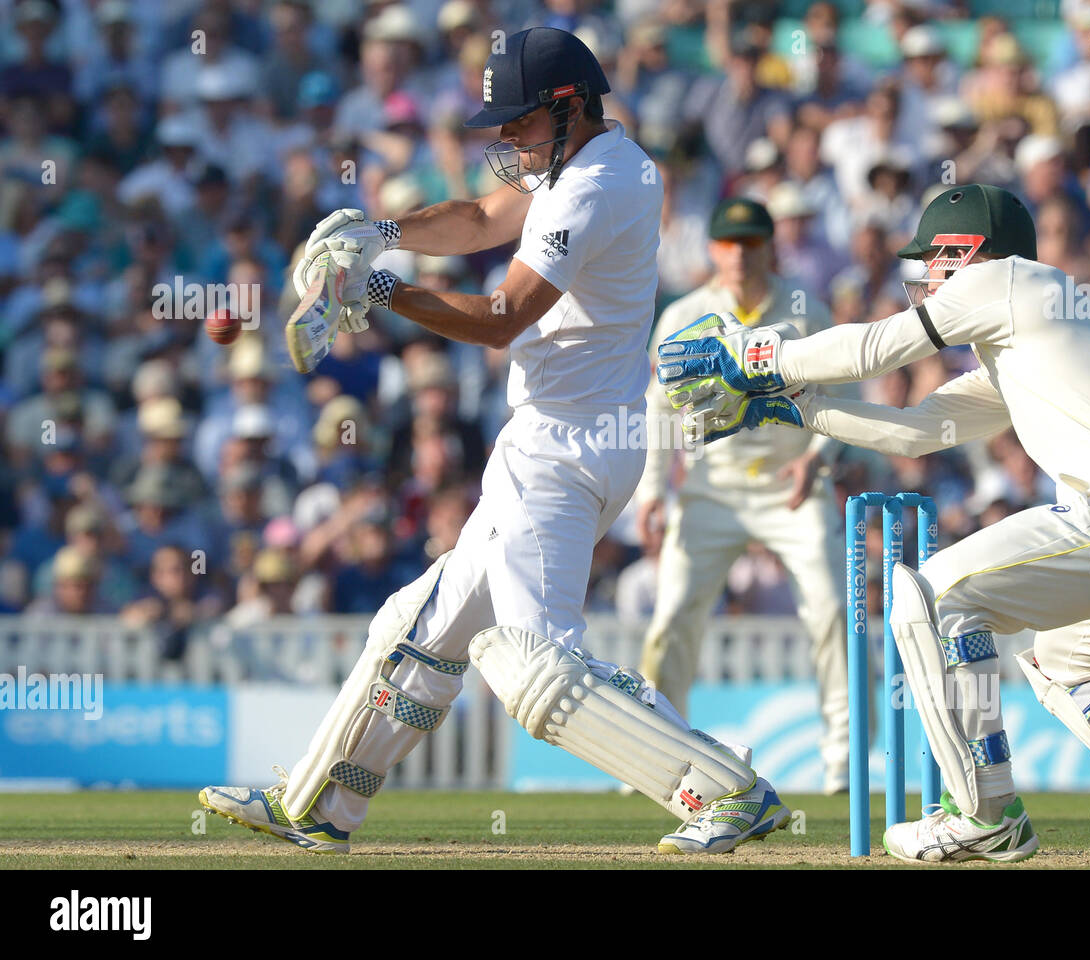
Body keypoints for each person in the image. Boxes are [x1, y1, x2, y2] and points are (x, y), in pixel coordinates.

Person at [199, 27, 790, 856]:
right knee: (417, 629)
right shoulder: (582, 165)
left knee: (533, 660)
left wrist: (376, 288)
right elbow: (477, 218)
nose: (505, 139)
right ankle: (319, 803)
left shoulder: (594, 188)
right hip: (557, 438)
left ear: (567, 106)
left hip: (566, 448)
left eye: (516, 123)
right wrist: (379, 231)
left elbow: (503, 318)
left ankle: (727, 792)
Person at [659, 184, 1090, 863]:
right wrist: (792, 409)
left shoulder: (1006, 280)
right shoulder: (1040, 330)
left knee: (932, 597)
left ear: (962, 253)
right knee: (1072, 662)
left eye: (931, 261)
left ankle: (984, 812)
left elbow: (875, 348)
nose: (926, 279)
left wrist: (755, 359)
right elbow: (920, 432)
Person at [636, 196, 852, 793]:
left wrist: (818, 459)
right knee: (673, 614)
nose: (739, 255)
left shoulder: (807, 308)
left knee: (834, 609)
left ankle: (843, 761)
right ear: (711, 249)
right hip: (713, 487)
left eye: (751, 243)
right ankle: (656, 755)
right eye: (729, 244)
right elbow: (660, 409)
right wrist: (652, 491)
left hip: (793, 486)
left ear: (770, 247)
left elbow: (843, 396)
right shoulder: (685, 313)